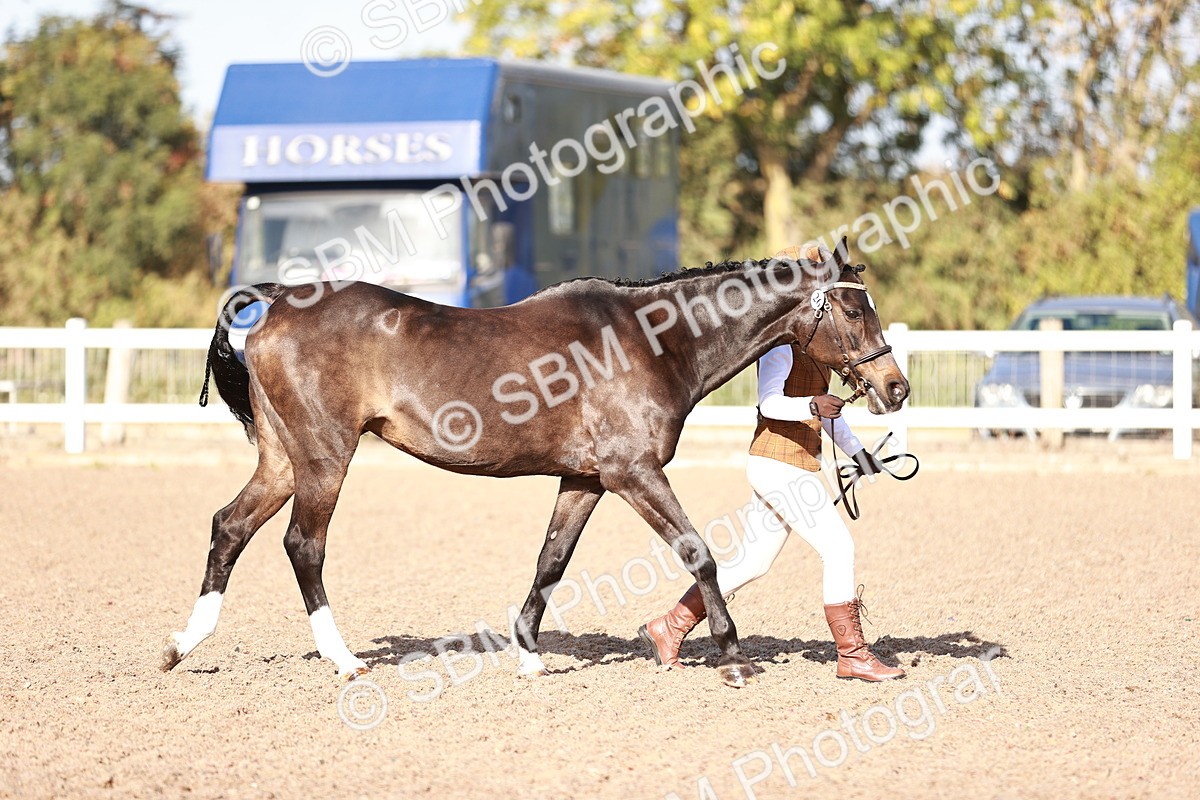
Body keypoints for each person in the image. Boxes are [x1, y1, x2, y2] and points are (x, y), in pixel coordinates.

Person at [638, 244, 905, 682]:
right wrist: (814, 407)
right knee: (839, 549)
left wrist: (861, 454)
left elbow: (830, 414)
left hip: (790, 465)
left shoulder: (820, 347)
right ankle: (853, 655)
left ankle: (668, 627)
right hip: (777, 466)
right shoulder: (779, 344)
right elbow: (771, 404)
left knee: (751, 563)